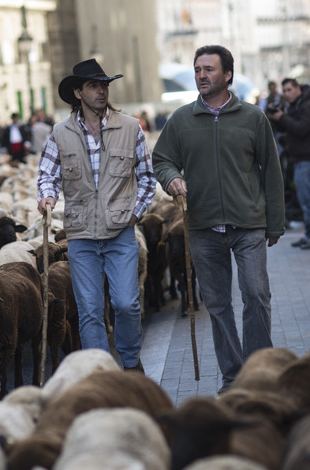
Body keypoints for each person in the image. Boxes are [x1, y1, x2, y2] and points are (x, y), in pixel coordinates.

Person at [152, 45, 285, 394]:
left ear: (227, 74)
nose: (201, 75)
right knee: (217, 305)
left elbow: (271, 171)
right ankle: (232, 378)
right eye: (197, 69)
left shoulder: (253, 117)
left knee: (256, 295)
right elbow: (162, 159)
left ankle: (259, 372)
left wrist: (276, 222)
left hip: (248, 224)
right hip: (202, 226)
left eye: (209, 69)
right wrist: (171, 178)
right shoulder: (181, 119)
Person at [37, 58, 156, 372]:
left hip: (120, 233)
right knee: (89, 309)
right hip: (81, 236)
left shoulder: (130, 127)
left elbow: (146, 176)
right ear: (78, 92)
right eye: (93, 85)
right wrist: (47, 196)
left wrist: (136, 213)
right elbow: (46, 175)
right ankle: (100, 372)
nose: (101, 91)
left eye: (104, 85)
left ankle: (130, 363)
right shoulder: (59, 133)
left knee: (126, 304)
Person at [268, 78, 310, 249]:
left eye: (289, 90)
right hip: (298, 160)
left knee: (306, 201)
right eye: (284, 91)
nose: (287, 94)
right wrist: (276, 118)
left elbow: (301, 128)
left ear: (298, 88)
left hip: (306, 160)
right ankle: (307, 235)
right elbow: (286, 129)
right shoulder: (294, 105)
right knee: (304, 200)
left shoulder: (306, 105)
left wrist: (283, 117)